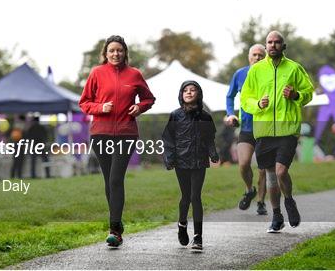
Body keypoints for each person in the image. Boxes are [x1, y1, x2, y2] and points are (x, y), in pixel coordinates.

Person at [79, 35, 155, 247]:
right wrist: (99, 108)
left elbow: (149, 98)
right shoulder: (96, 73)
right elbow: (84, 102)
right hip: (100, 133)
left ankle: (114, 230)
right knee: (108, 181)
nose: (115, 54)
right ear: (106, 53)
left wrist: (139, 107)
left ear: (125, 53)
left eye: (119, 50)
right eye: (112, 50)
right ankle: (117, 225)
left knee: (115, 179)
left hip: (125, 132)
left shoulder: (134, 74)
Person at [240, 31, 314, 233]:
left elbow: (309, 92)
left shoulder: (294, 68)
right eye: (269, 42)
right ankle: (277, 215)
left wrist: (296, 94)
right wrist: (258, 104)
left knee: (281, 171)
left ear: (283, 46)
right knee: (271, 177)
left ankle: (289, 201)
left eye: (277, 42)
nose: (273, 45)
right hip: (263, 132)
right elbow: (245, 98)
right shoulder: (255, 71)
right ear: (266, 46)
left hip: (287, 130)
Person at [162, 80, 219, 251]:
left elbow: (210, 138)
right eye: (185, 90)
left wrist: (212, 153)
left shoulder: (206, 117)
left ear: (198, 94)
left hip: (199, 161)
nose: (189, 92)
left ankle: (198, 237)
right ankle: (182, 224)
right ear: (181, 94)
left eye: (192, 90)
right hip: (181, 161)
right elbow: (168, 139)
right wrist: (170, 158)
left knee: (196, 197)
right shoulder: (175, 115)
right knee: (185, 197)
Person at [225, 44, 268, 215]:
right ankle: (250, 190)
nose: (257, 57)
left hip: (265, 127)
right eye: (254, 55)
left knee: (263, 168)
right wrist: (230, 114)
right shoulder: (240, 74)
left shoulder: (269, 74)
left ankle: (261, 202)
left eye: (260, 55)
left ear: (265, 57)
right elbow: (230, 96)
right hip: (247, 127)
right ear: (249, 56)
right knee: (243, 164)